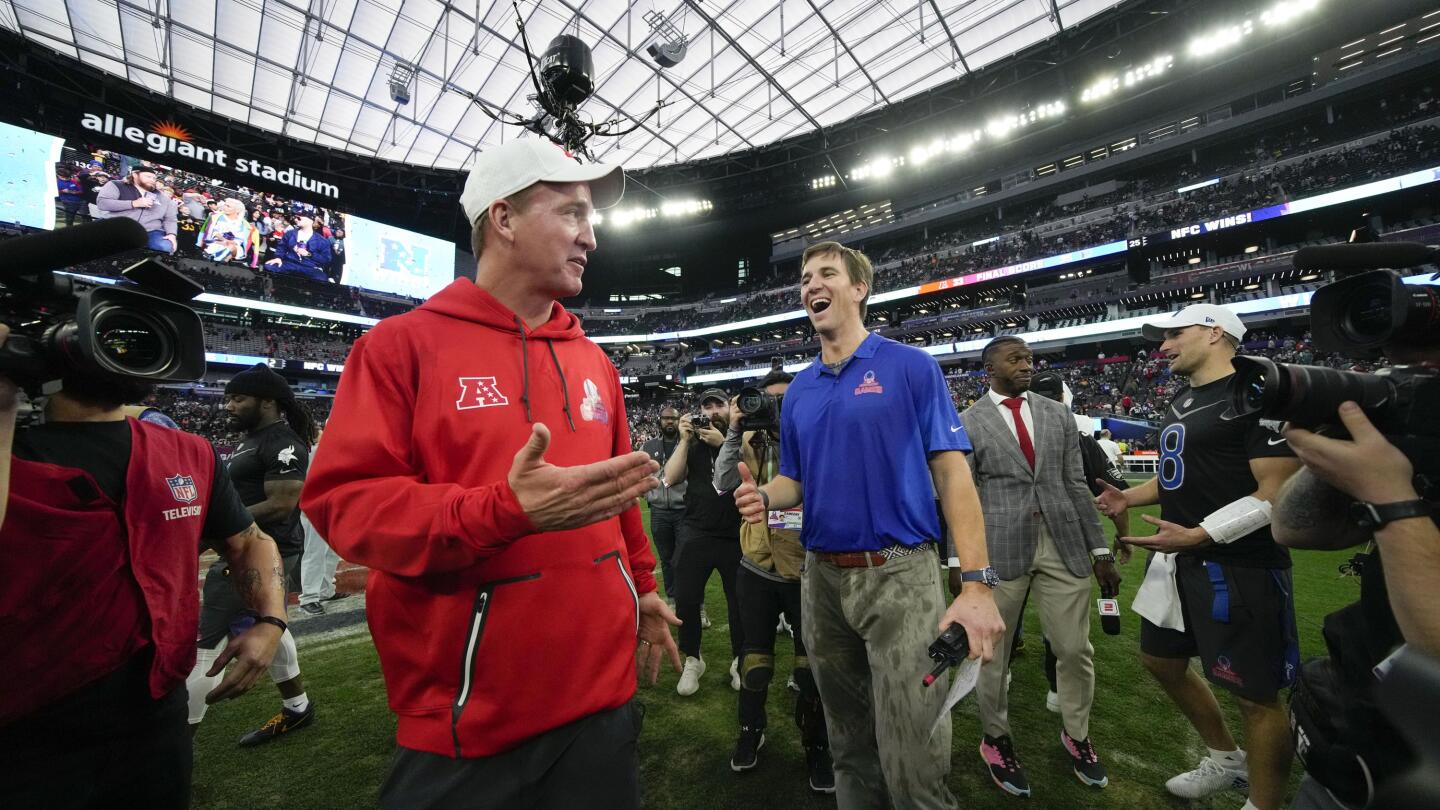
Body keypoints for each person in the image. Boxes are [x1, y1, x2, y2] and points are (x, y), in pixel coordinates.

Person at [301, 137, 680, 810]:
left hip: (603, 707)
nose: (590, 237)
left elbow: (619, 495)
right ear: (502, 219)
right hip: (469, 723)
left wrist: (643, 588)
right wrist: (503, 510)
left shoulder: (595, 362)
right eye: (571, 213)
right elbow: (346, 505)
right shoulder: (398, 348)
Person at [733, 240, 1005, 809]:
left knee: (913, 758)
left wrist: (976, 584)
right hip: (821, 580)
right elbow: (796, 484)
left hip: (901, 574)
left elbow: (954, 476)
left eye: (827, 273)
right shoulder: (802, 389)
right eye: (806, 277)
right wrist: (762, 494)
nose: (812, 285)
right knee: (848, 746)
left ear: (859, 289)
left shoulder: (910, 367)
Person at [0, 325, 286, 809]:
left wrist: (271, 621)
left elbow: (249, 541)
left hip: (155, 710)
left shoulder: (188, 451)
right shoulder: (15, 447)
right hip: (24, 725)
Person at [1095, 303, 1302, 810]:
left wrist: (1201, 534)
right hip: (1179, 557)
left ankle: (1265, 803)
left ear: (1214, 334)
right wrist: (1129, 498)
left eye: (1173, 334)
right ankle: (1226, 759)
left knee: (1256, 695)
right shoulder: (1185, 398)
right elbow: (1176, 478)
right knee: (1160, 661)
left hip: (1240, 563)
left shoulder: (1259, 392)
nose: (1162, 346)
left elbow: (1277, 489)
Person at [960, 338, 1116, 797]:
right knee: (992, 653)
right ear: (989, 367)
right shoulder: (966, 422)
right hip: (998, 550)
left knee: (1074, 649)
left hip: (1062, 543)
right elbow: (961, 496)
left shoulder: (1056, 414)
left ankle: (1077, 734)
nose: (1027, 364)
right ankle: (996, 739)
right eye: (1015, 358)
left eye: (1029, 358)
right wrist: (960, 562)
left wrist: (1100, 550)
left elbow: (1073, 482)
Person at [713, 371, 835, 792]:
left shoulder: (813, 437)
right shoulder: (746, 441)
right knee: (755, 661)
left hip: (804, 568)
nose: (773, 410)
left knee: (810, 667)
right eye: (768, 402)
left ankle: (816, 743)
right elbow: (721, 483)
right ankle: (750, 730)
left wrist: (789, 431)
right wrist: (733, 431)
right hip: (755, 567)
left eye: (784, 402)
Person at [187, 364, 318, 746]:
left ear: (267, 401)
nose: (228, 405)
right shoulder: (253, 439)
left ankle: (175, 746)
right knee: (270, 623)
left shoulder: (283, 442)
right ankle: (298, 707)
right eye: (228, 397)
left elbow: (281, 504)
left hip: (265, 550)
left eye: (238, 398)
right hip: (247, 546)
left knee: (205, 642)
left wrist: (216, 525)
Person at [663, 388, 745, 697]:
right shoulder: (693, 443)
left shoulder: (742, 437)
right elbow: (669, 478)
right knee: (686, 597)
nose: (712, 412)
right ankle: (693, 659)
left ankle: (739, 658)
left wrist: (725, 444)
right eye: (705, 406)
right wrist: (685, 440)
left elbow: (754, 473)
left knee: (739, 601)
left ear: (729, 408)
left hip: (734, 531)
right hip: (696, 529)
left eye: (718, 405)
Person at [298, 429, 348, 616]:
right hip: (316, 507)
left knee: (330, 553)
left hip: (332, 507)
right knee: (315, 552)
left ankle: (326, 591)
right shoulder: (314, 452)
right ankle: (309, 598)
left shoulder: (335, 451)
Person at [641, 406, 687, 605]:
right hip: (659, 511)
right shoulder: (648, 446)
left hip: (683, 510)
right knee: (667, 560)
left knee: (686, 559)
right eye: (666, 418)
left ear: (679, 421)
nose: (670, 422)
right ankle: (672, 599)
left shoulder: (687, 443)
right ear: (659, 421)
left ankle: (696, 603)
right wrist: (648, 493)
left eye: (673, 419)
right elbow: (639, 472)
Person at [95, 164, 177, 253]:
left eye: (154, 178)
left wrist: (171, 234)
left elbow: (170, 219)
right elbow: (102, 203)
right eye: (148, 176)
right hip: (117, 226)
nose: (152, 180)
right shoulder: (116, 184)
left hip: (150, 231)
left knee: (166, 247)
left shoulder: (163, 197)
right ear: (135, 174)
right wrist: (133, 203)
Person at [266, 210, 332, 282]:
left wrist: (309, 254)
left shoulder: (322, 240)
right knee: (269, 266)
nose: (296, 219)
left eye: (299, 218)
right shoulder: (290, 233)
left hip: (310, 267)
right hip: (290, 263)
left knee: (321, 279)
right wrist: (278, 258)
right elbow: (281, 248)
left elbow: (326, 259)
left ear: (310, 220)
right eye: (295, 217)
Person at [196, 197, 259, 265]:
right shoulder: (217, 217)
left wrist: (228, 242)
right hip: (216, 242)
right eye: (225, 205)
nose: (224, 207)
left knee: (231, 248)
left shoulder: (242, 224)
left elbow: (240, 240)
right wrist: (223, 240)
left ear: (237, 210)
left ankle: (221, 260)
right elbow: (214, 232)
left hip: (233, 246)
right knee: (218, 247)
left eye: (228, 206)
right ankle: (219, 259)